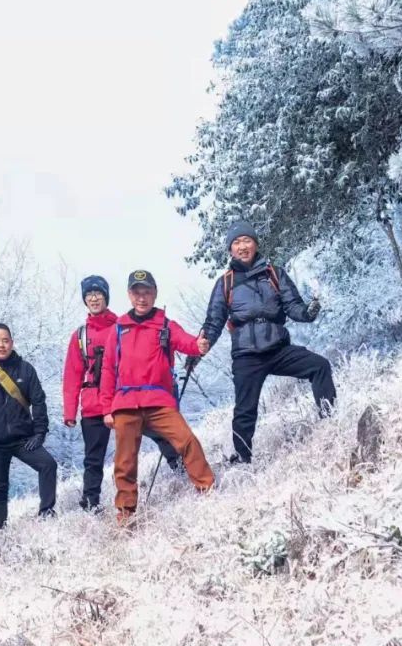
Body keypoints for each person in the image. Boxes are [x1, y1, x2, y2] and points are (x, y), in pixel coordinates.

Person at [200, 220, 336, 465]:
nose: (242, 246)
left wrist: (308, 312)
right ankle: (243, 459)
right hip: (246, 356)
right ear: (230, 249)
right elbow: (213, 322)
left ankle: (330, 422)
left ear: (256, 244)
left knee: (320, 366)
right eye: (237, 242)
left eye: (247, 240)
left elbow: (293, 305)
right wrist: (197, 350)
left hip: (278, 349)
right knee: (244, 411)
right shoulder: (225, 283)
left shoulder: (274, 273)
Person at [100, 271, 215, 526]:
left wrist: (199, 345)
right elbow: (108, 369)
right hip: (125, 403)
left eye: (147, 292)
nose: (142, 298)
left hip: (159, 400)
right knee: (125, 461)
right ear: (130, 295)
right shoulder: (118, 328)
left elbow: (187, 343)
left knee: (186, 441)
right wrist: (106, 408)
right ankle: (125, 514)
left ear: (155, 294)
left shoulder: (166, 325)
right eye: (137, 292)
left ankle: (207, 490)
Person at [62, 276, 182, 512]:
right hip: (93, 406)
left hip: (125, 400)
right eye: (89, 295)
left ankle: (180, 466)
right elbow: (72, 375)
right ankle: (91, 504)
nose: (94, 298)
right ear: (85, 300)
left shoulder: (123, 325)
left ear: (106, 297)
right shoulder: (80, 336)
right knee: (93, 458)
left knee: (159, 432)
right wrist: (69, 411)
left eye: (98, 294)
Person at [0, 323, 56, 529]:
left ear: (12, 342)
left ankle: (47, 513)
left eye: (5, 340)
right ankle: (0, 529)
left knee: (48, 465)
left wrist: (40, 432)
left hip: (23, 438)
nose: (1, 345)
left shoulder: (26, 369)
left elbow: (39, 401)